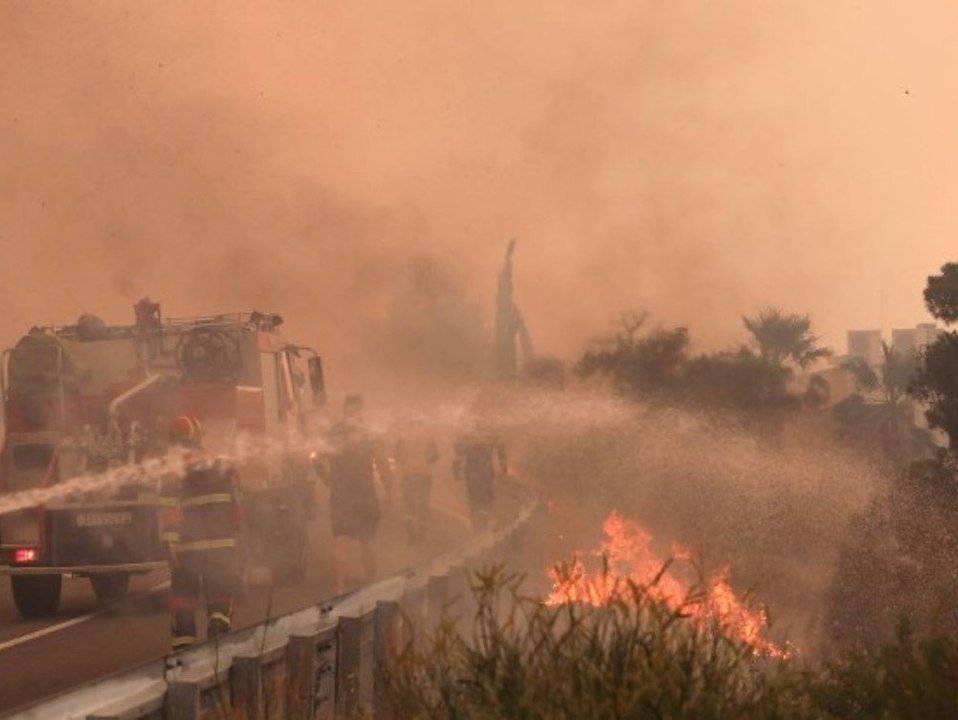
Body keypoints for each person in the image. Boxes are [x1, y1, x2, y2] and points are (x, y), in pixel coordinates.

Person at [159, 414, 242, 651]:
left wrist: (170, 542)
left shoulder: (172, 467)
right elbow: (238, 502)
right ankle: (217, 639)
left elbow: (169, 507)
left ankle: (183, 652)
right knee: (221, 591)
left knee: (184, 598)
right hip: (222, 542)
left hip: (188, 547)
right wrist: (234, 533)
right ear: (198, 436)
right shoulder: (221, 461)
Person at [314, 395, 393, 594]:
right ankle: (371, 585)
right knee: (367, 540)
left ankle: (339, 589)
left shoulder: (334, 432)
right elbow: (382, 462)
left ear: (344, 410)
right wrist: (389, 490)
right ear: (360, 411)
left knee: (341, 540)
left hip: (341, 494)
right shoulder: (368, 433)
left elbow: (316, 458)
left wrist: (327, 480)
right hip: (364, 492)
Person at [453, 424, 507, 533]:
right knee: (487, 496)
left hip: (472, 472)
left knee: (474, 499)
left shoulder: (468, 433)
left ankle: (477, 527)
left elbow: (458, 452)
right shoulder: (490, 432)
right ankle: (483, 518)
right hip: (486, 471)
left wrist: (456, 470)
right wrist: (503, 466)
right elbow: (501, 449)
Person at [393, 418, 440, 544]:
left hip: (408, 474)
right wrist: (424, 460)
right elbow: (435, 455)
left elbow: (397, 455)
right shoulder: (428, 436)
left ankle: (411, 535)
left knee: (409, 505)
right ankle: (422, 534)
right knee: (423, 504)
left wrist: (406, 461)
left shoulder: (402, 437)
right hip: (424, 474)